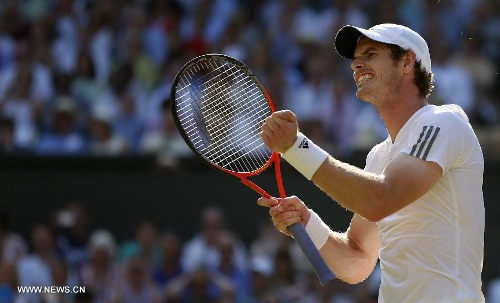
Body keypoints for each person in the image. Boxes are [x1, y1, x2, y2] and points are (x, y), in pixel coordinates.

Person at [258, 23, 485, 302]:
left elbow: (382, 198)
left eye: (371, 53)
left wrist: (296, 147)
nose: (356, 64)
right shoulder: (379, 156)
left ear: (407, 61)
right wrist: (307, 224)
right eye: (356, 58)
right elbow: (358, 262)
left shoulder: (444, 123)